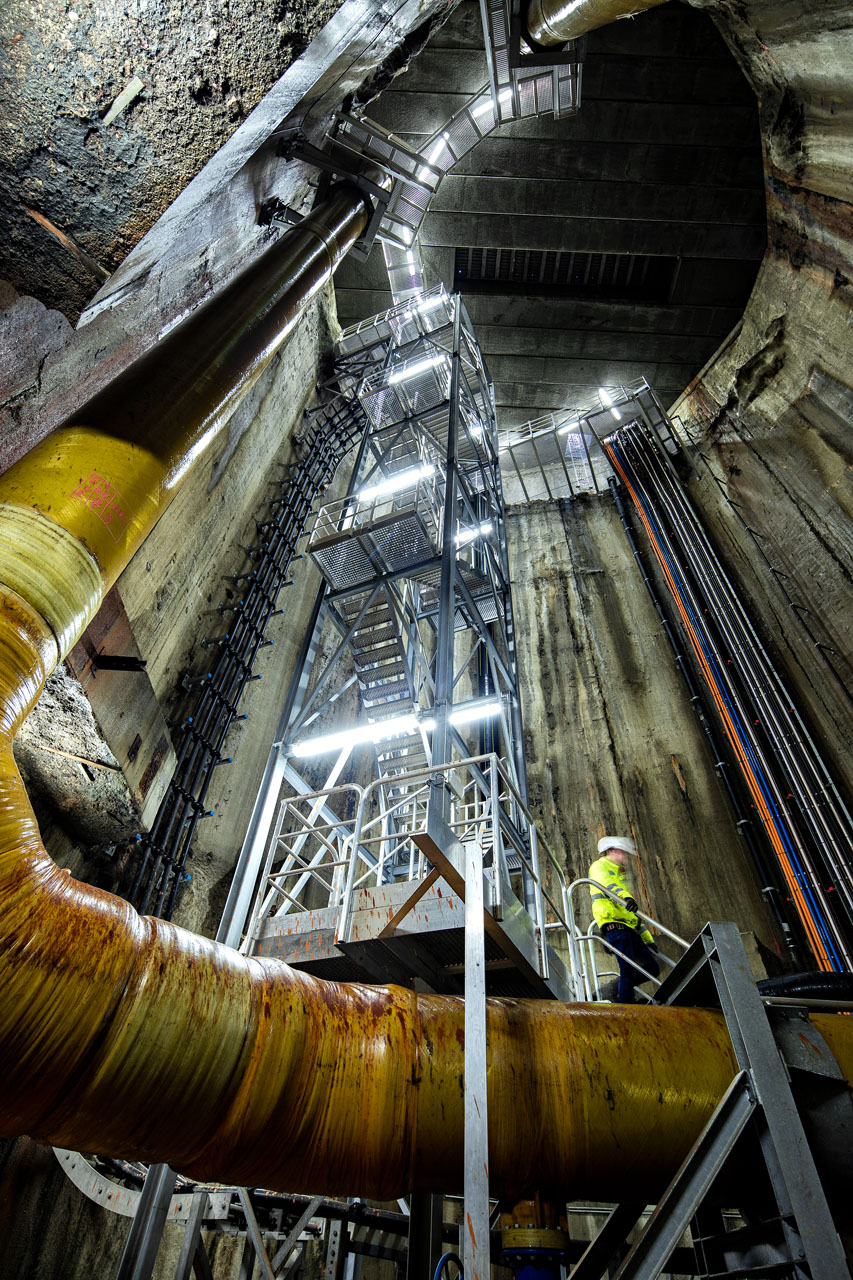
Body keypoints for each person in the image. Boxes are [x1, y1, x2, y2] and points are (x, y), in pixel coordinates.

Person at [588, 835, 659, 1003]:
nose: (624, 857)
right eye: (621, 852)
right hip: (613, 924)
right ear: (610, 851)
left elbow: (631, 913)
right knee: (627, 970)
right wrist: (626, 897)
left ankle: (614, 989)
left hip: (628, 927)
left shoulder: (620, 872)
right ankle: (626, 1006)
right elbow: (607, 884)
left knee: (653, 968)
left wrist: (648, 939)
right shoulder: (599, 867)